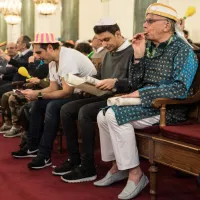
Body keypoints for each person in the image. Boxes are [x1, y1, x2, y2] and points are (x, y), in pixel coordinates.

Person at [93, 3, 198, 200]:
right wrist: (139, 56)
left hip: (168, 108)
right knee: (102, 114)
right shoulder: (148, 46)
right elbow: (134, 82)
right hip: (144, 103)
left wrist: (140, 95)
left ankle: (136, 174)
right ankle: (118, 167)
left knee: (115, 115)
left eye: (150, 21)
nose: (145, 25)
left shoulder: (183, 50)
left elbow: (181, 89)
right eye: (145, 21)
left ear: (166, 25)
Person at [54, 17, 135, 183]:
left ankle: (88, 166)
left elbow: (135, 82)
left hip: (121, 98)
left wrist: (116, 83)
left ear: (118, 33)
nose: (104, 45)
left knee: (85, 112)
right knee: (66, 109)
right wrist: (85, 83)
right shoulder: (108, 54)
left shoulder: (134, 51)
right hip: (104, 95)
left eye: (107, 39)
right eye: (100, 41)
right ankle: (74, 159)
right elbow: (100, 77)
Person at [11, 32, 97, 170]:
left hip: (87, 94)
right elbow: (53, 87)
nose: (37, 56)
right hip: (73, 93)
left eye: (39, 52)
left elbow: (66, 92)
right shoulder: (52, 61)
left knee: (51, 106)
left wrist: (38, 95)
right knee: (38, 104)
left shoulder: (67, 58)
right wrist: (34, 93)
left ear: (50, 47)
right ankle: (33, 147)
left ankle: (44, 154)